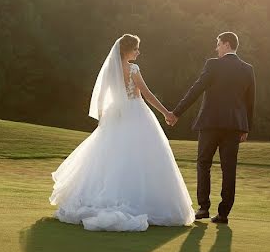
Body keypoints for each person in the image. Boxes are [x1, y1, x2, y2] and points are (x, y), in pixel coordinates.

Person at [49, 34, 194, 231]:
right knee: (141, 156)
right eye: (136, 49)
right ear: (127, 50)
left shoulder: (111, 69)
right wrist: (167, 113)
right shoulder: (133, 68)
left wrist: (103, 117)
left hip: (115, 115)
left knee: (112, 158)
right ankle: (142, 202)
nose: (138, 52)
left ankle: (103, 198)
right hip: (136, 113)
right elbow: (147, 94)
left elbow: (101, 96)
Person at [168, 32, 255, 224]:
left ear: (226, 44)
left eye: (218, 44)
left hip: (211, 123)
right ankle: (224, 213)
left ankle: (203, 208)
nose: (216, 48)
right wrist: (245, 128)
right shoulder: (248, 69)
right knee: (229, 168)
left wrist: (176, 113)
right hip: (234, 126)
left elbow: (196, 89)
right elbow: (250, 102)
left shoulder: (213, 64)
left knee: (203, 163)